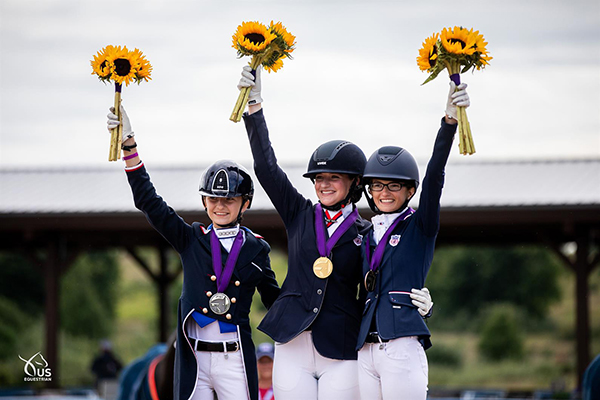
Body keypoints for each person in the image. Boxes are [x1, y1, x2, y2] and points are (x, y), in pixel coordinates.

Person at [237, 66, 433, 400]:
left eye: (333, 178)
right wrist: (254, 108)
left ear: (356, 183)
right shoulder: (299, 212)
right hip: (293, 339)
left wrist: (424, 306)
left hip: (340, 344)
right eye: (318, 178)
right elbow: (266, 169)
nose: (323, 185)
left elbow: (384, 284)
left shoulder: (368, 233)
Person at [106, 107, 281, 400]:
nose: (220, 206)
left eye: (229, 199)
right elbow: (149, 202)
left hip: (234, 358)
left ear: (245, 204)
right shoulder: (190, 239)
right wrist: (129, 146)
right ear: (204, 201)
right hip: (194, 357)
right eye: (213, 199)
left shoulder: (257, 249)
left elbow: (275, 301)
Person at [355, 82, 470, 399]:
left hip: (401, 342)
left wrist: (449, 122)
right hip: (365, 347)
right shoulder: (364, 232)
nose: (385, 193)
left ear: (409, 191)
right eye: (378, 186)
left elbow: (435, 175)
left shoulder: (420, 225)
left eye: (394, 186)